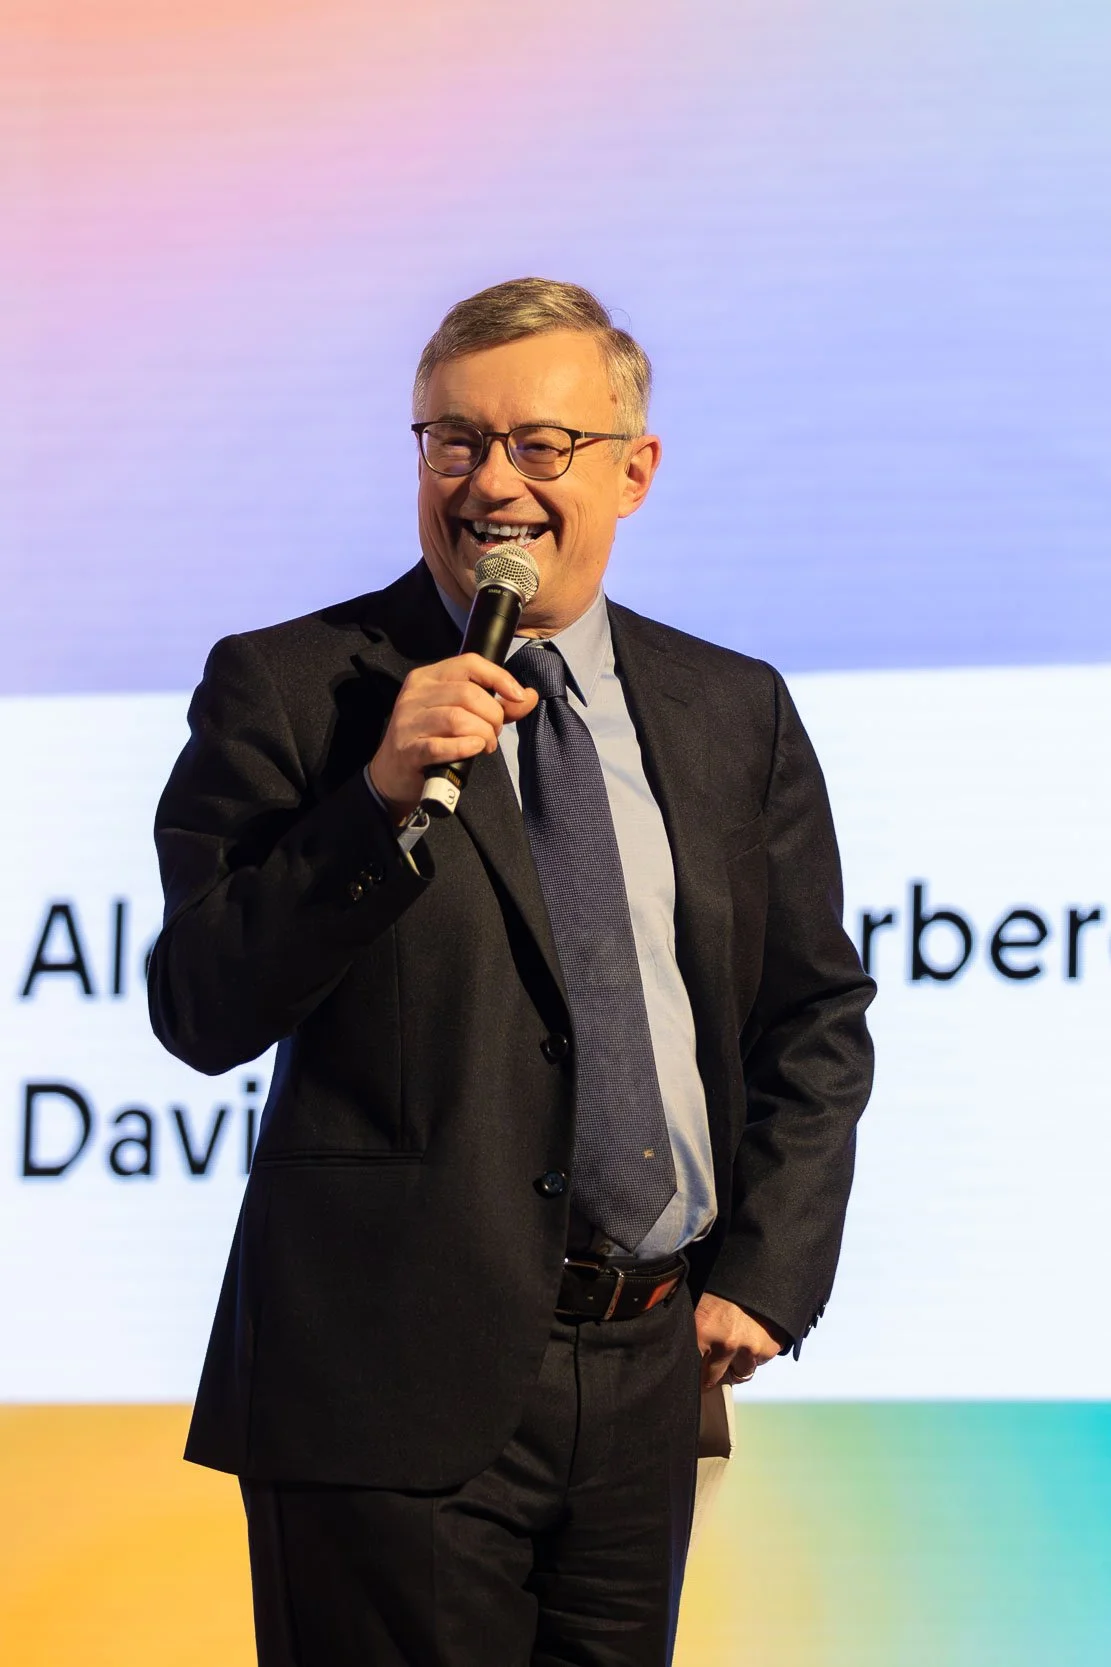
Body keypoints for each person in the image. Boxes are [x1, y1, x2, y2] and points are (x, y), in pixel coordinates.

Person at [149, 277, 875, 1666]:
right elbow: (201, 1004)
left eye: (541, 445)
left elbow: (811, 1016)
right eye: (452, 442)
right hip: (379, 1381)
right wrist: (372, 797)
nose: (493, 484)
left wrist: (769, 1269)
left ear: (631, 469)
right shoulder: (294, 690)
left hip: (647, 1367)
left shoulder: (731, 709)